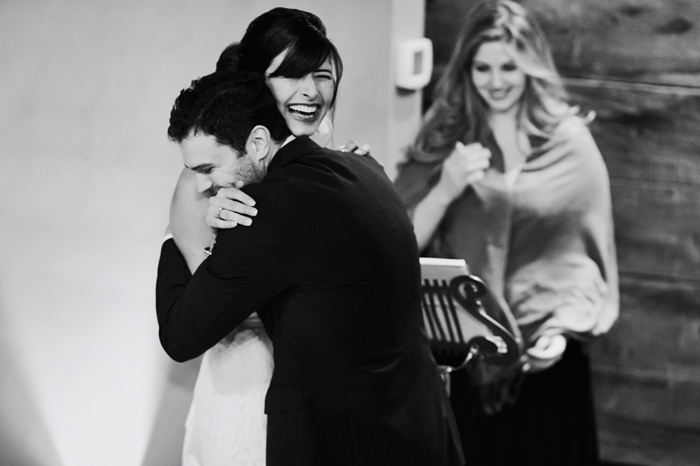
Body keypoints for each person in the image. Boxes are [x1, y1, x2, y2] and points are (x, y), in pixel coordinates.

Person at [157, 71, 463, 465]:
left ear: (258, 142)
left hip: (341, 440)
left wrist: (171, 234)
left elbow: (180, 335)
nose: (202, 187)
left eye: (207, 169)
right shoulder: (363, 167)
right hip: (416, 425)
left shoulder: (261, 213)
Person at [393, 1, 619, 464]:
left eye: (509, 67)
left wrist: (563, 328)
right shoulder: (444, 134)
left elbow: (586, 261)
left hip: (548, 359)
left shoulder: (570, 142)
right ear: (466, 68)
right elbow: (395, 247)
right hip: (468, 358)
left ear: (531, 65)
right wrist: (445, 188)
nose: (496, 81)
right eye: (483, 67)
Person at [165, 9, 367, 465]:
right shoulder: (202, 183)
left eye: (321, 76)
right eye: (290, 76)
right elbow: (218, 311)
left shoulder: (329, 172)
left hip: (324, 391)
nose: (309, 92)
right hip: (249, 381)